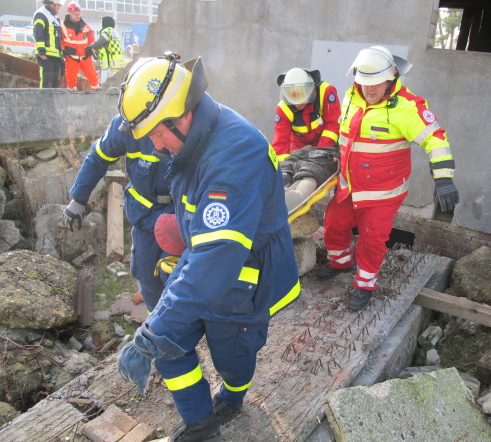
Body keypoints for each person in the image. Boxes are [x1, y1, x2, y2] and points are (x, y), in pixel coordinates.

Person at [115, 52, 301, 441]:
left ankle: (232, 397)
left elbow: (217, 261)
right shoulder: (194, 141)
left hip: (244, 276)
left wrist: (155, 326)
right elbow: (204, 249)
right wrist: (155, 330)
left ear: (181, 114)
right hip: (204, 260)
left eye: (157, 132)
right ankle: (201, 425)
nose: (155, 144)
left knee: (231, 358)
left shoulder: (236, 153)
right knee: (167, 342)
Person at [316, 46, 459, 312]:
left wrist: (443, 178)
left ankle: (364, 284)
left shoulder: (407, 107)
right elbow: (340, 134)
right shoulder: (350, 99)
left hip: (383, 194)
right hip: (348, 187)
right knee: (334, 225)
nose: (369, 89)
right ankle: (341, 263)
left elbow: (435, 139)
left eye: (376, 83)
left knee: (372, 240)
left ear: (391, 78)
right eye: (364, 82)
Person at [61, 90, 176, 312]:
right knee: (146, 274)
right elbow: (97, 159)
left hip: (179, 213)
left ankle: (175, 332)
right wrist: (78, 200)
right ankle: (155, 320)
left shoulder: (179, 124)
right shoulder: (125, 126)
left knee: (172, 273)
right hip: (145, 212)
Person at [273, 68, 341, 212]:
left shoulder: (325, 92)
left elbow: (332, 125)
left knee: (308, 173)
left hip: (326, 147)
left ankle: (295, 197)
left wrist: (319, 153)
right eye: (294, 100)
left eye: (301, 99)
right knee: (289, 169)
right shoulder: (284, 108)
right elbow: (280, 144)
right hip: (301, 149)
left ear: (310, 92)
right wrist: (283, 171)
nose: (298, 105)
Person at [60, 2, 100, 91]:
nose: (78, 16)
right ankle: (72, 99)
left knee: (94, 79)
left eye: (79, 14)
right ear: (69, 13)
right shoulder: (62, 27)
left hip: (85, 57)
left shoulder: (85, 26)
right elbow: (60, 41)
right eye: (75, 14)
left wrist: (92, 50)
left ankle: (97, 97)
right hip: (71, 57)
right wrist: (65, 50)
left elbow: (91, 41)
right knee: (71, 81)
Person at [32, 0, 63, 88]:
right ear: (51, 4)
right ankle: (44, 101)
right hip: (46, 55)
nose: (60, 8)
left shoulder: (55, 18)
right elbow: (38, 32)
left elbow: (58, 37)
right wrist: (41, 51)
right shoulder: (41, 14)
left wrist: (61, 55)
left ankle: (53, 101)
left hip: (55, 56)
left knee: (55, 83)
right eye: (58, 5)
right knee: (46, 82)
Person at [88, 16, 125, 85]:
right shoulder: (114, 32)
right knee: (114, 83)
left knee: (105, 84)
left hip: (108, 64)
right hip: (115, 63)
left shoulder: (106, 32)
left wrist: (90, 45)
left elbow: (98, 44)